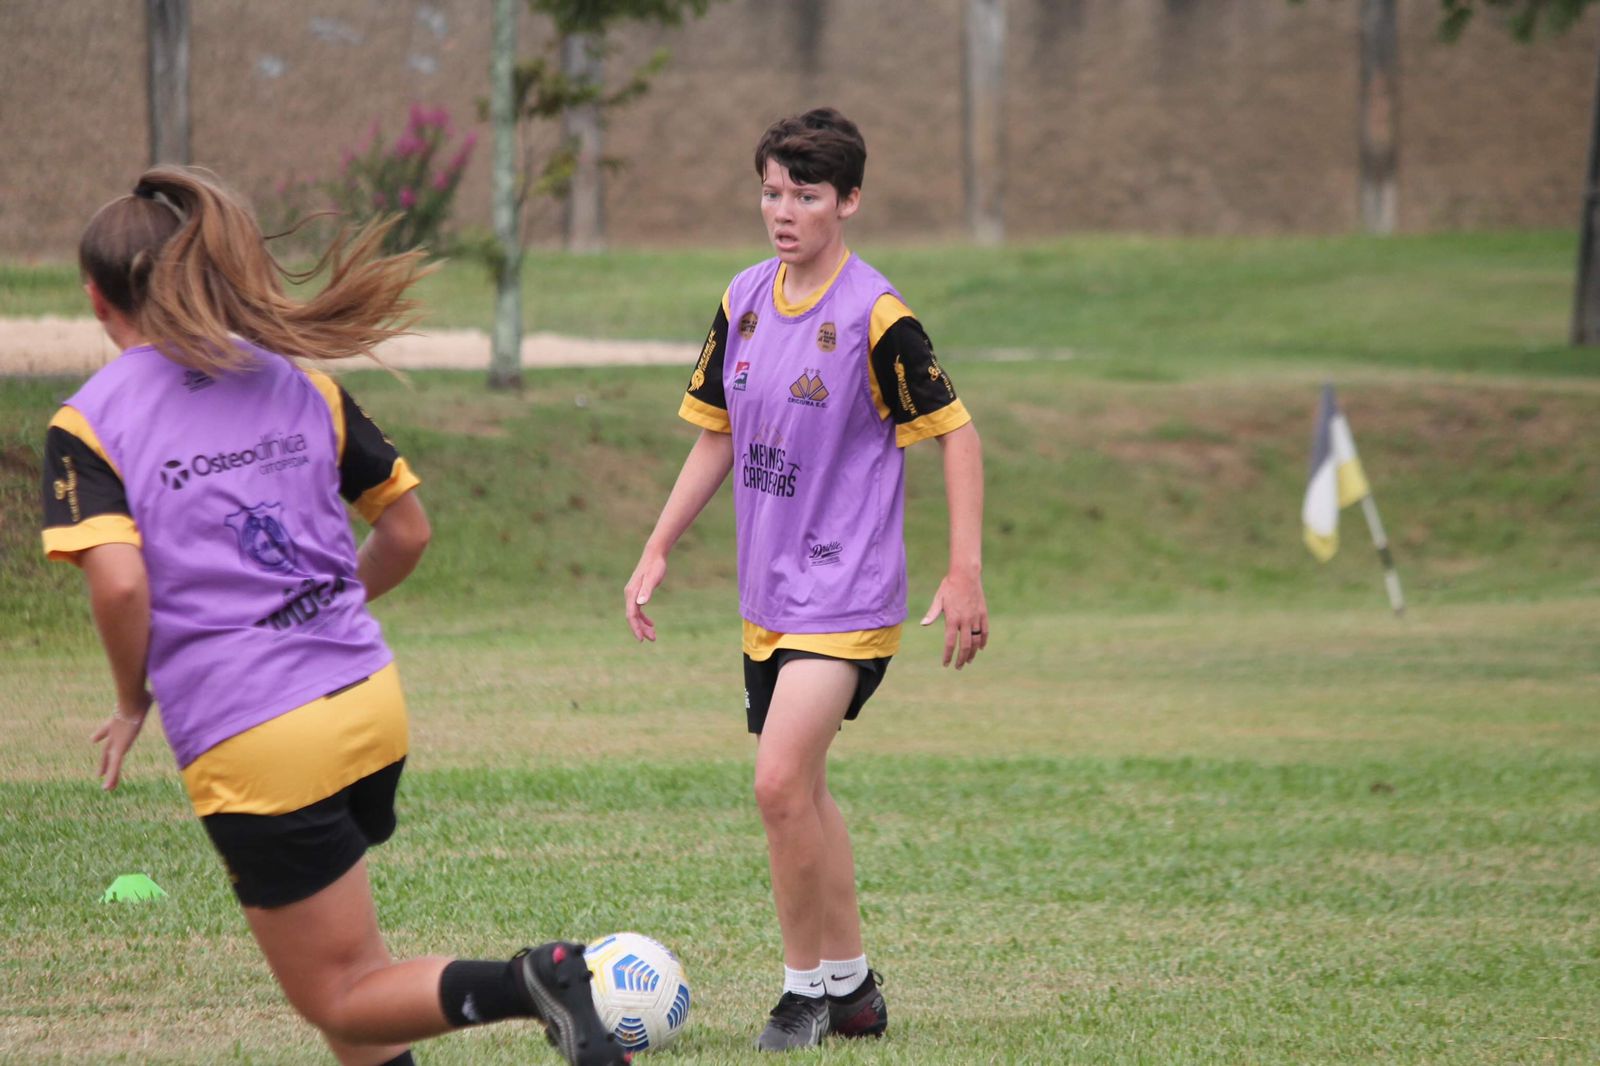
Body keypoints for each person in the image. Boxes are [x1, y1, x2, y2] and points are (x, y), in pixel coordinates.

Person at [40, 166, 627, 1066]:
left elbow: (119, 587)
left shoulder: (90, 424)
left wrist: (131, 701)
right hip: (369, 703)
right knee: (360, 983)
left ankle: (532, 981)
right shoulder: (295, 382)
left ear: (94, 297)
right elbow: (407, 531)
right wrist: (322, 610)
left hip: (259, 739)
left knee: (342, 1000)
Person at [623, 108, 988, 1051]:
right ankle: (855, 987)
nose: (782, 211)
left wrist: (965, 571)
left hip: (848, 593)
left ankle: (803, 996)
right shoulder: (744, 297)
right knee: (809, 792)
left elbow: (957, 434)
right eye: (772, 191)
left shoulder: (878, 315)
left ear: (850, 201)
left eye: (806, 194)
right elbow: (718, 433)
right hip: (768, 596)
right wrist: (659, 545)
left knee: (779, 783)